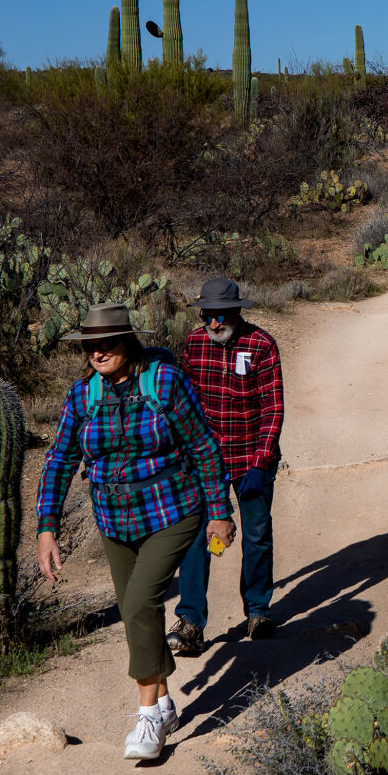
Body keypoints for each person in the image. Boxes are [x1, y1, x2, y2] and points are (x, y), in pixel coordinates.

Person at [35, 302, 233, 763]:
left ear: (126, 342)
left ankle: (147, 716)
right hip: (114, 518)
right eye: (90, 346)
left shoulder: (163, 381)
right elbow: (60, 460)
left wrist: (219, 512)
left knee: (142, 601)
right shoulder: (83, 395)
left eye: (106, 344)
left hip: (172, 509)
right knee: (132, 612)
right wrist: (47, 528)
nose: (97, 353)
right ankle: (164, 701)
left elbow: (203, 444)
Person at [165, 277, 285, 655]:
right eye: (208, 315)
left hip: (252, 459)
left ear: (237, 312)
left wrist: (261, 461)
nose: (214, 324)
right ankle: (190, 623)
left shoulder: (262, 345)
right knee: (195, 540)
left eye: (221, 316)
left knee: (256, 534)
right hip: (205, 462)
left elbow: (273, 408)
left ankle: (258, 611)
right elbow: (186, 402)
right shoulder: (195, 343)